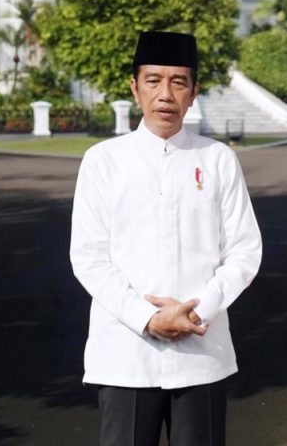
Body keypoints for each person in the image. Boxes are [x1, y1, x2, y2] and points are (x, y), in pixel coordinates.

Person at [70, 31, 262, 446]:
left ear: (193, 92)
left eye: (178, 82)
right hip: (125, 353)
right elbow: (89, 257)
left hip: (201, 352)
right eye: (153, 80)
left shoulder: (218, 160)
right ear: (134, 87)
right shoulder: (103, 161)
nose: (165, 94)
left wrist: (197, 310)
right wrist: (147, 317)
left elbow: (245, 251)